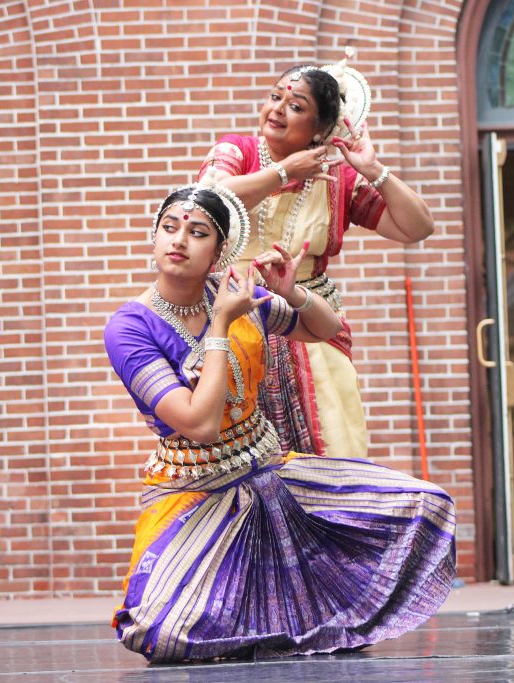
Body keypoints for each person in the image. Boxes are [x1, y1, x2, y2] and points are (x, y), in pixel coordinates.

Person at [104, 175, 455, 662]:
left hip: (272, 470)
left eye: (198, 232)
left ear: (221, 250)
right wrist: (222, 325)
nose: (179, 240)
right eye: (169, 227)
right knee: (161, 633)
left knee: (424, 505)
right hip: (195, 491)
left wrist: (293, 293)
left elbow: (327, 330)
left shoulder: (233, 296)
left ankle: (277, 622)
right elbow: (199, 424)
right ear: (155, 235)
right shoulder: (130, 327)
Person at [201, 53, 433, 459]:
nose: (277, 109)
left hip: (310, 322)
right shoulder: (237, 151)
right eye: (275, 97)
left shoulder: (338, 180)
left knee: (329, 451)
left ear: (321, 128)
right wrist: (285, 172)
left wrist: (374, 168)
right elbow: (210, 199)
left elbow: (418, 227)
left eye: (295, 106)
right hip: (233, 316)